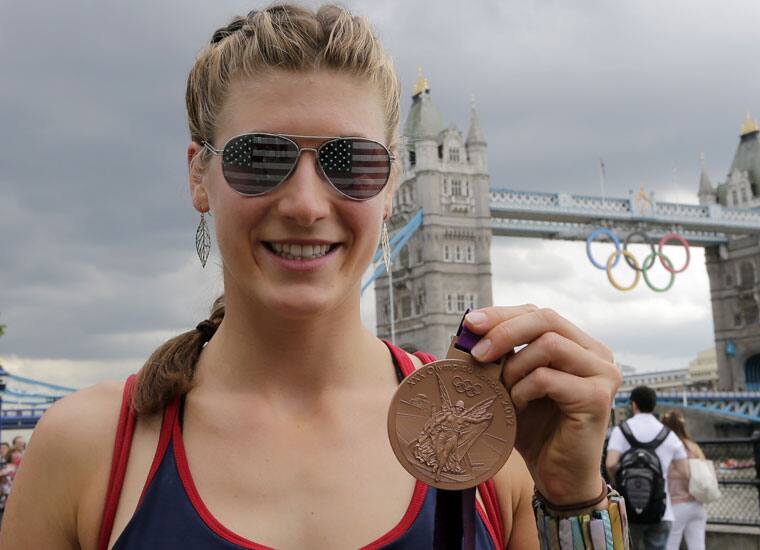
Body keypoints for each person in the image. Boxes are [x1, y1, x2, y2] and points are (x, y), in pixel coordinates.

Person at [0, 4, 623, 548]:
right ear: (198, 175)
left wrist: (572, 498)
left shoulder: (492, 449)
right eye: (259, 157)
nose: (305, 203)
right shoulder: (86, 450)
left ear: (391, 187)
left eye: (350, 163)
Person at [605, 386, 688, 550]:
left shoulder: (621, 431)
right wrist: (661, 474)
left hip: (627, 509)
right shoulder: (668, 434)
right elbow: (685, 472)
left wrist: (620, 481)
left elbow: (610, 464)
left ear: (633, 405)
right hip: (661, 510)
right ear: (654, 405)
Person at [661, 410, 707, 550]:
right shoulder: (693, 447)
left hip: (676, 505)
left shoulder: (666, 447)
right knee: (698, 546)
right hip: (697, 504)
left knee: (670, 546)